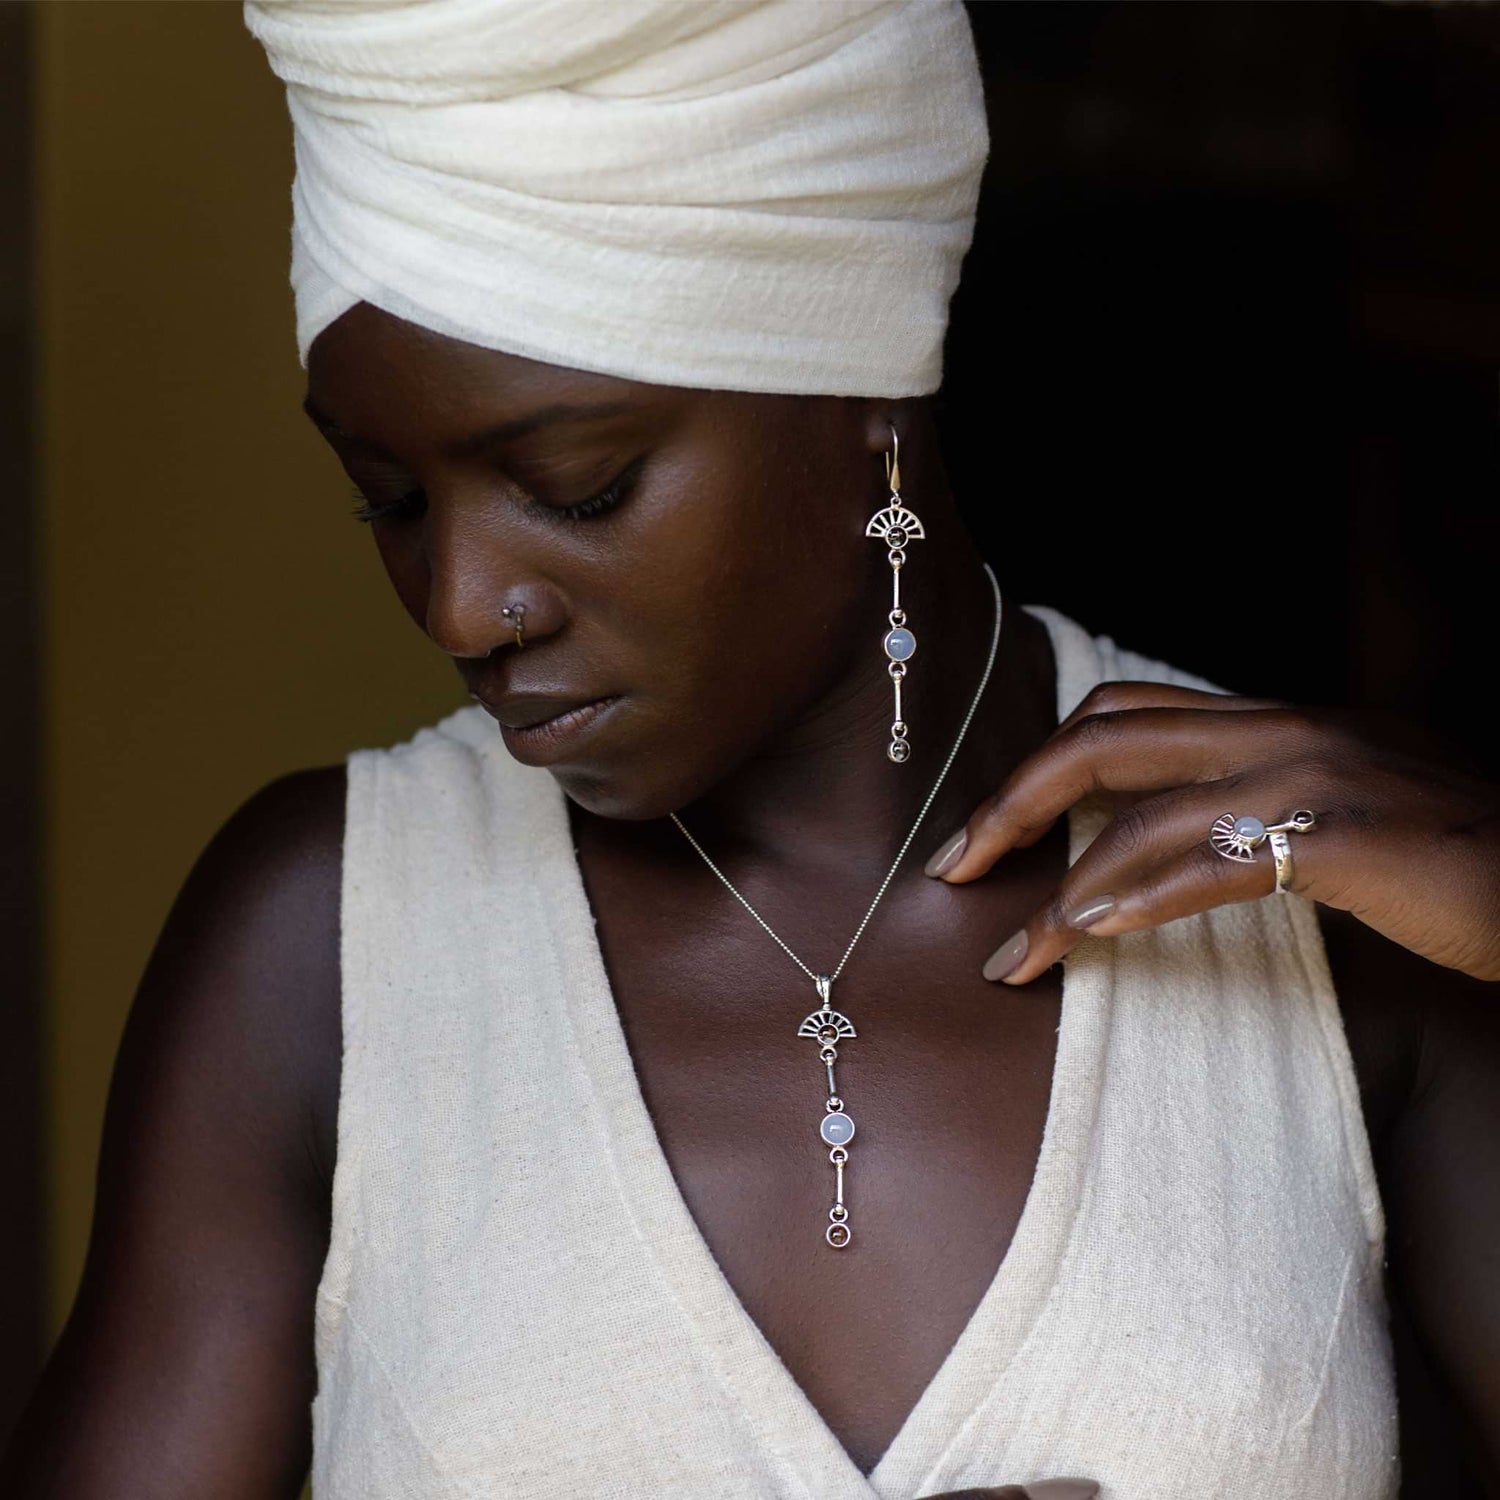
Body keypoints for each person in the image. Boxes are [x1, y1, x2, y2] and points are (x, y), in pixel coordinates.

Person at [4, 2, 1497, 1497]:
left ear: (867, 391)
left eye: (577, 488)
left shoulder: (1324, 910)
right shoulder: (316, 951)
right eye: (387, 498)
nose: (463, 603)